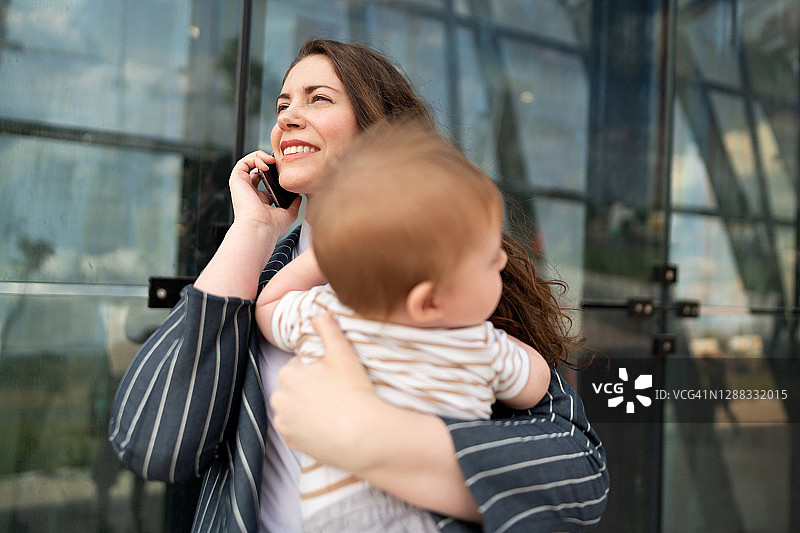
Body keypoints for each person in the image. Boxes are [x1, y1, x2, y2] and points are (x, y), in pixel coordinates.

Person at [108, 38, 609, 533]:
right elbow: (154, 445)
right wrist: (252, 232)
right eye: (282, 105)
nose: (288, 117)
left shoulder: (457, 273)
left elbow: (581, 475)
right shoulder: (254, 278)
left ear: (378, 131)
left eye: (318, 99)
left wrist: (371, 438)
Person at [255, 122, 553, 531]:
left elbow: (267, 304)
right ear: (428, 302)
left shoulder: (326, 313)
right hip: (433, 512)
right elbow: (537, 383)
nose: (502, 261)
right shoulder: (480, 345)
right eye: (489, 260)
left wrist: (323, 256)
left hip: (336, 518)